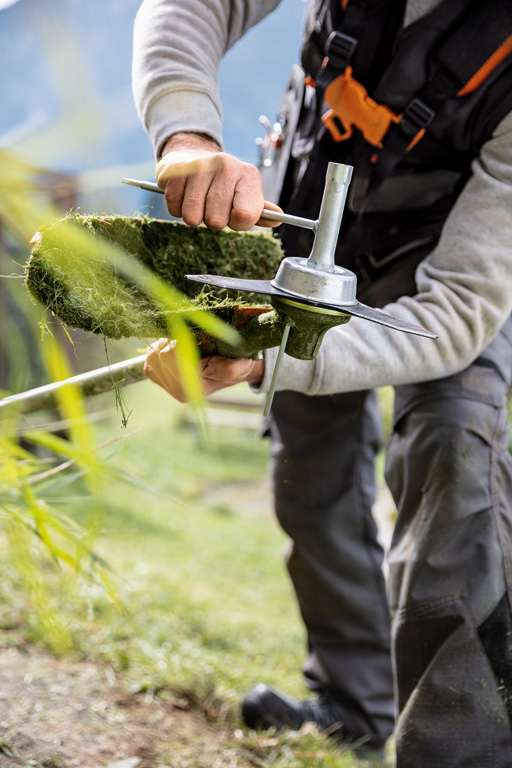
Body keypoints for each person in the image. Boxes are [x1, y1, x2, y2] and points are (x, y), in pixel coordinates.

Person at [132, 1, 512, 765]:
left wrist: (277, 356)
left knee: (456, 457)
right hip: (309, 225)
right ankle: (351, 705)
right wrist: (186, 131)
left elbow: (464, 309)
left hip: (449, 277)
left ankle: (460, 755)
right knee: (310, 474)